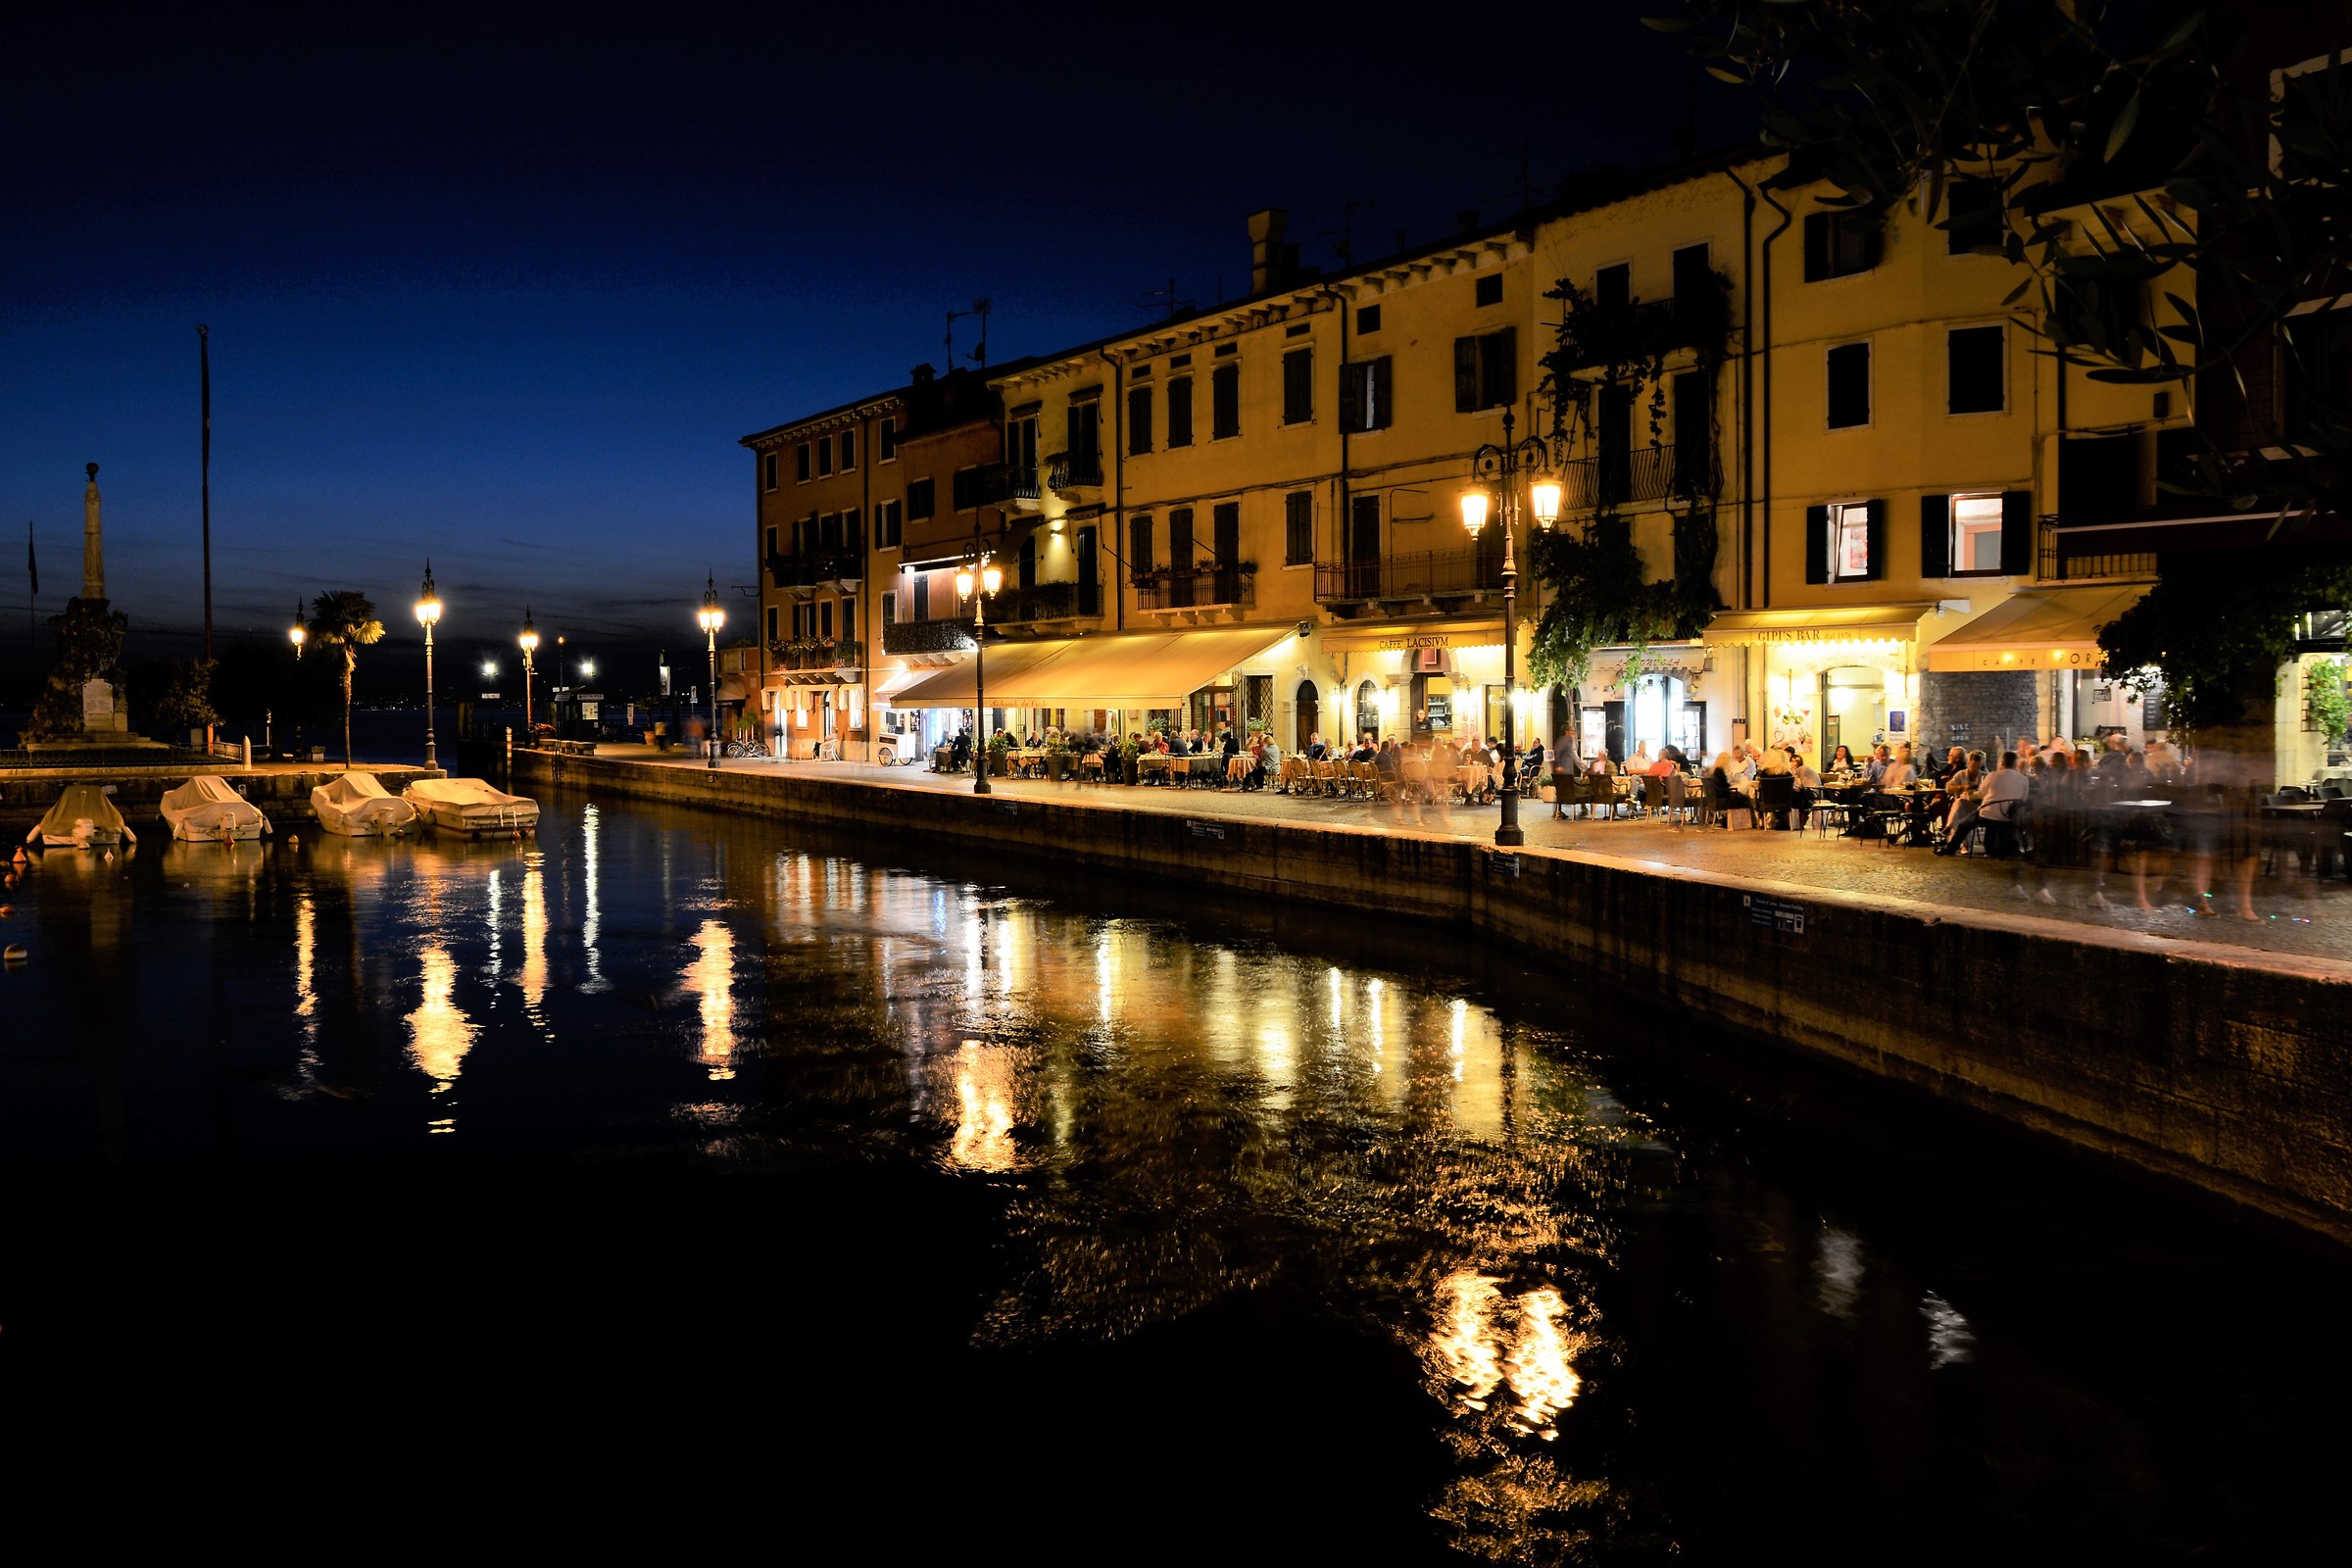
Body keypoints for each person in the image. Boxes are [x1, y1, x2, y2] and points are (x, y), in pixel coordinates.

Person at [1939, 751, 2027, 856]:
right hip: (2010, 816)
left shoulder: (1992, 776)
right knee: (1964, 806)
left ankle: (1950, 848)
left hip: (1988, 814)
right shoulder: (2023, 779)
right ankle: (1987, 849)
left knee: (1964, 824)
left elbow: (1980, 794)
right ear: (2015, 764)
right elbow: (2023, 798)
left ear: (2002, 763)